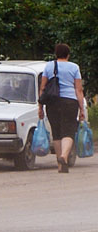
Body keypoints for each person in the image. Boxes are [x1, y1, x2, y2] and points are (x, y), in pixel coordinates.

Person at [38, 43, 87, 172]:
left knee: (57, 132)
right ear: (68, 54)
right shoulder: (74, 67)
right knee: (69, 131)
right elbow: (79, 89)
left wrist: (40, 107)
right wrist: (81, 108)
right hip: (70, 101)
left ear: (56, 54)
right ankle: (64, 156)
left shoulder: (49, 66)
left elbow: (42, 88)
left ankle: (60, 165)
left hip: (52, 102)